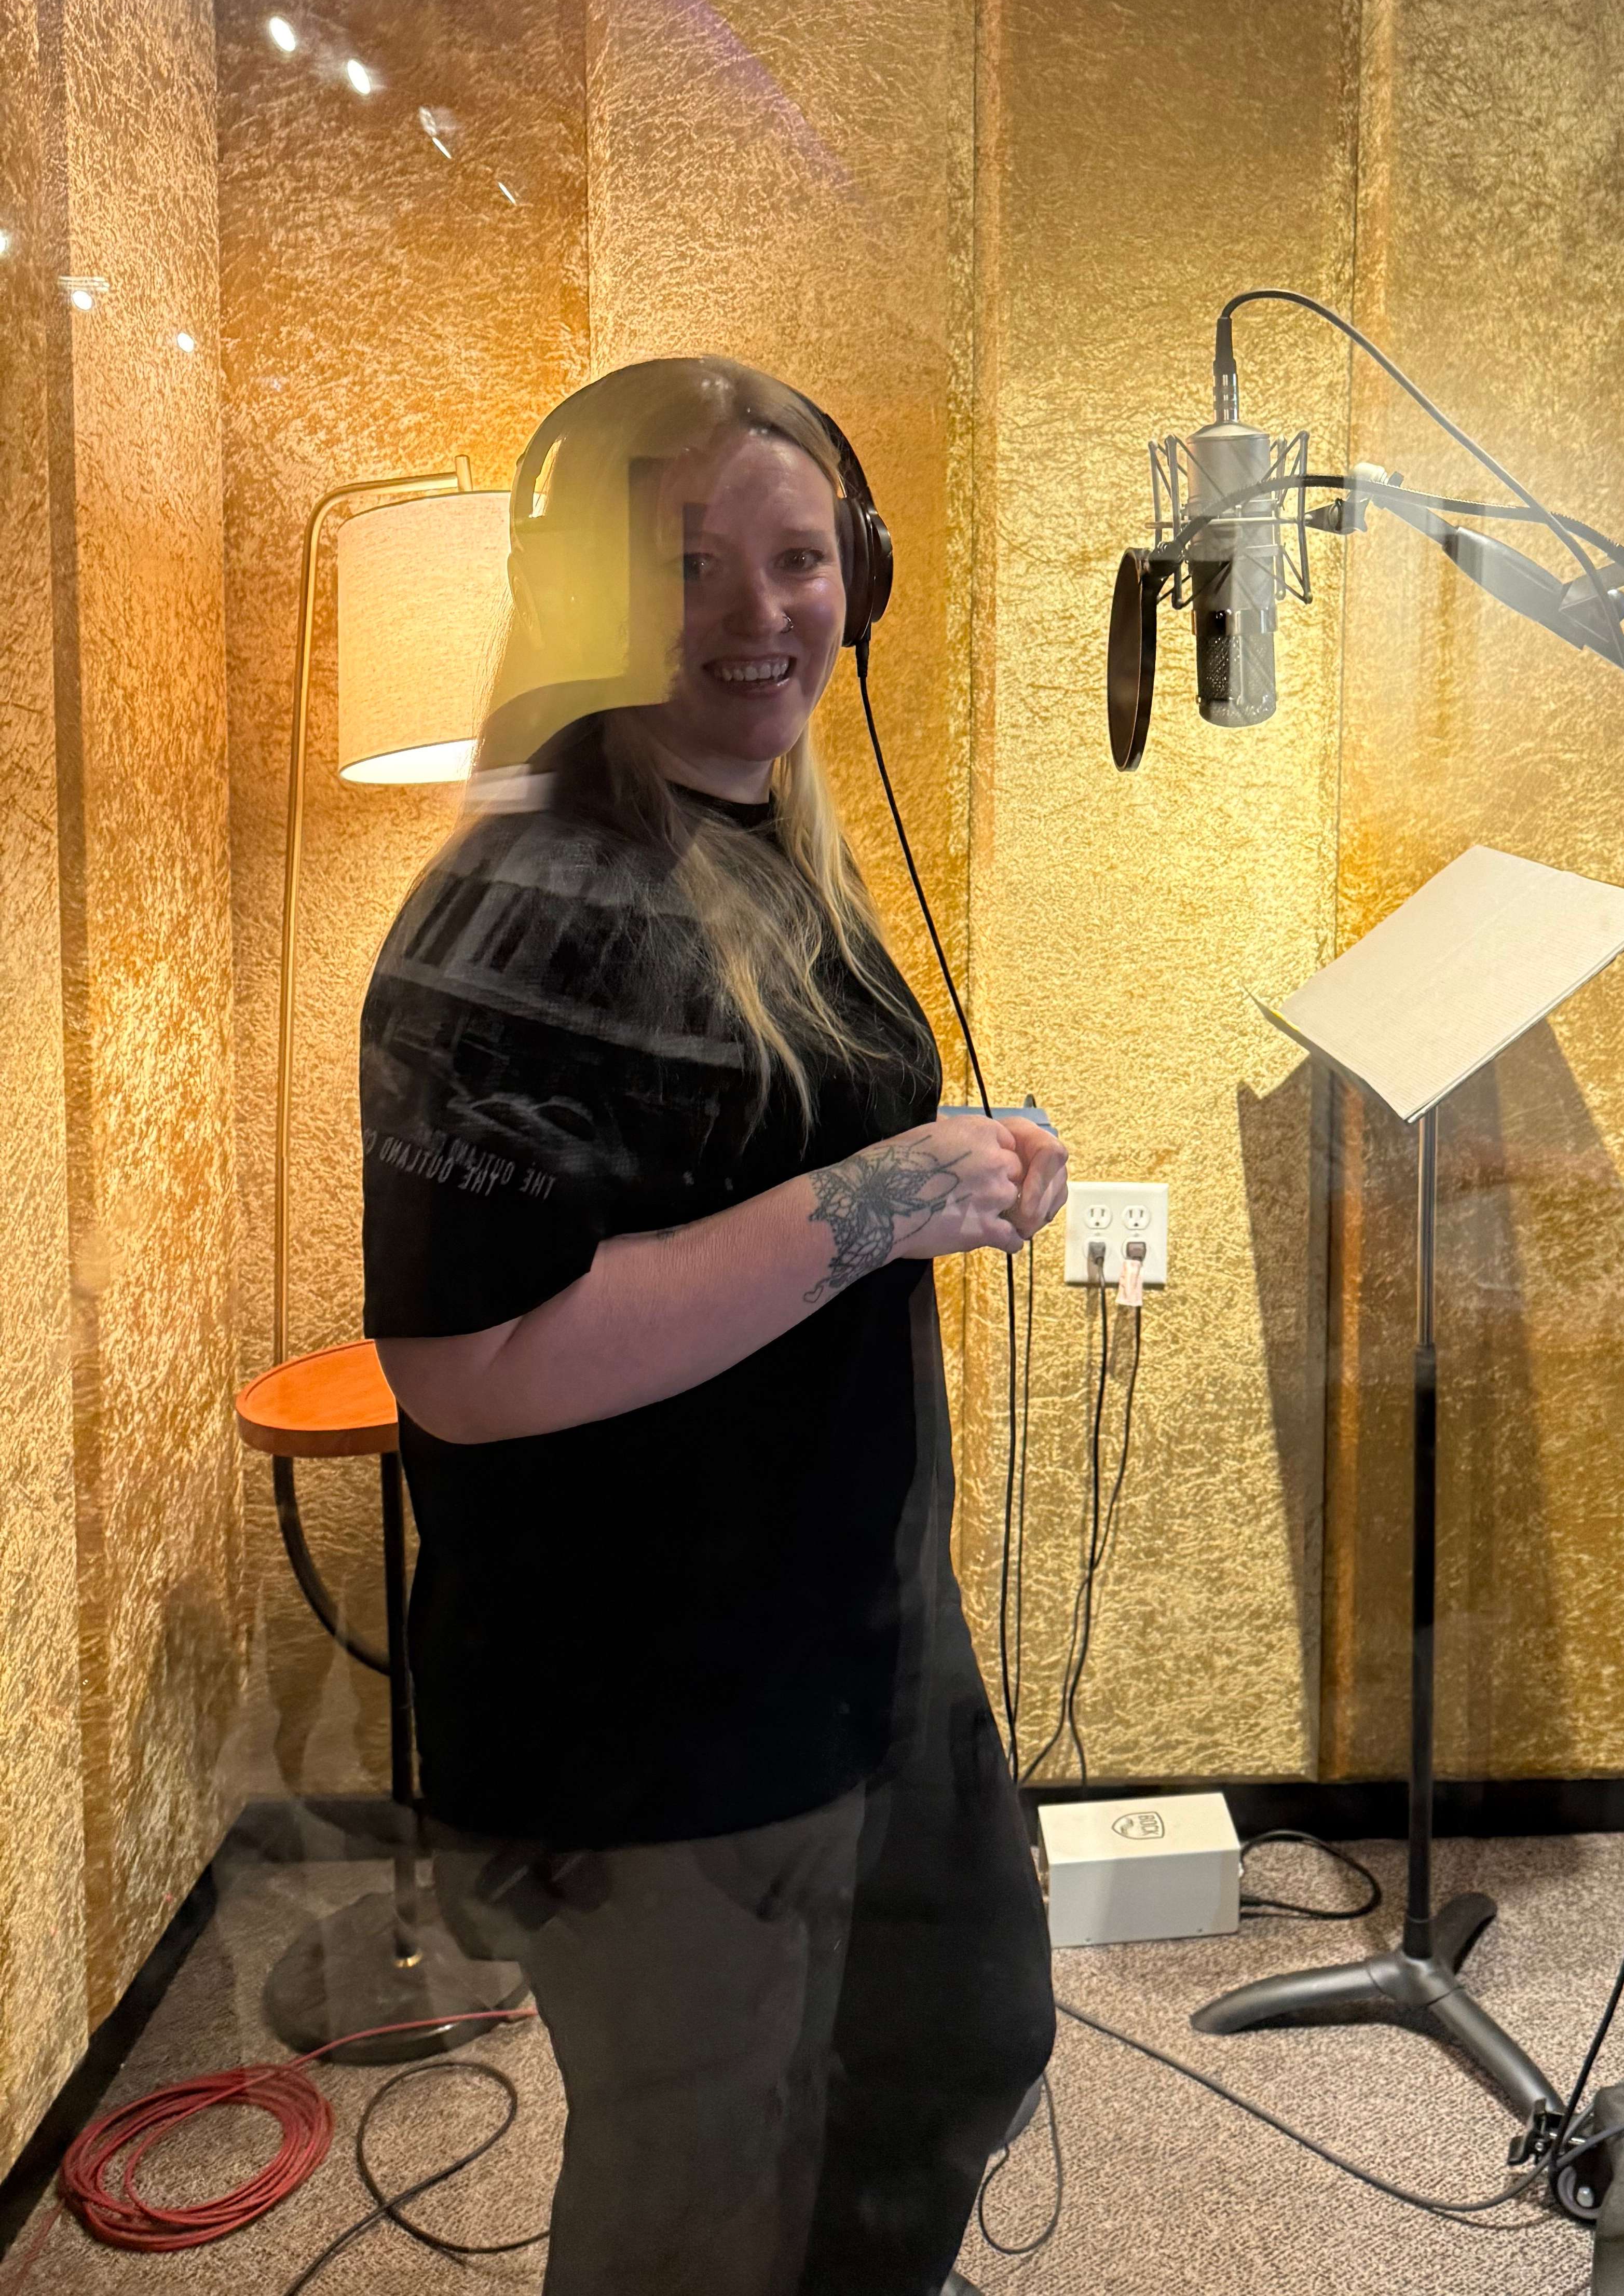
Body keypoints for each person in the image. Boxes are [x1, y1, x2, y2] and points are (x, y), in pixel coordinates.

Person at [359, 357, 1064, 2296]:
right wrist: (880, 1201)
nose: (761, 613)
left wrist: (929, 1171)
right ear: (588, 595)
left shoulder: (766, 836)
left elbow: (759, 1169)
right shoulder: (520, 912)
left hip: (855, 1636)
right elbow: (468, 1372)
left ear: (862, 574)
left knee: (952, 2043)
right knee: (700, 2199)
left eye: (801, 559)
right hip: (652, 1706)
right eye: (687, 564)